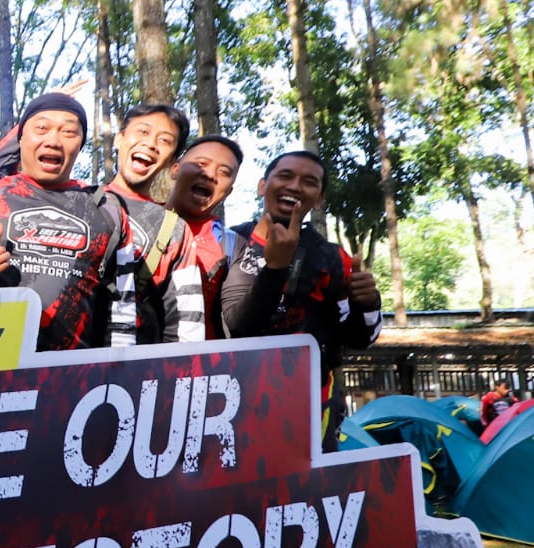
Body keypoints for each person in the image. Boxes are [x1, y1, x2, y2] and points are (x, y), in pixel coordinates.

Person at [0, 92, 137, 350]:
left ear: (80, 145)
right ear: (21, 138)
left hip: (70, 375)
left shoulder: (107, 209)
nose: (53, 141)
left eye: (68, 132)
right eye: (42, 128)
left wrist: (122, 363)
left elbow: (123, 301)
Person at [220, 149, 383, 449]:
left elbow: (360, 339)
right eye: (285, 176)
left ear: (319, 199)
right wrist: (276, 268)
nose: (295, 186)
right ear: (261, 186)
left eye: (309, 182)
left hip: (312, 402)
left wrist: (368, 304)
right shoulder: (230, 244)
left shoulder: (333, 258)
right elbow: (235, 325)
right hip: (230, 402)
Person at [101, 103, 204, 344]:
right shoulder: (80, 200)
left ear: (172, 162)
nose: (150, 144)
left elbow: (187, 324)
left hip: (131, 368)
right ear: (119, 139)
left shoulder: (174, 229)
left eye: (165, 140)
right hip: (60, 366)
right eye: (143, 132)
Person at [164, 135, 245, 339]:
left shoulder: (232, 245)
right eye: (201, 163)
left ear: (229, 191)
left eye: (224, 172)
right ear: (175, 169)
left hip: (204, 366)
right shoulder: (131, 223)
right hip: (134, 365)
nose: (210, 174)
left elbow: (240, 320)